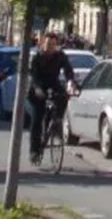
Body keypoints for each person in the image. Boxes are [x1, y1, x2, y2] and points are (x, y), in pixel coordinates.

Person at [28, 32, 79, 164]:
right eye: (48, 44)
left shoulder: (60, 56)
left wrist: (70, 82)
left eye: (53, 45)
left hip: (53, 84)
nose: (50, 47)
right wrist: (37, 88)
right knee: (37, 120)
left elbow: (68, 70)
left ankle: (56, 122)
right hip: (38, 88)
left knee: (63, 96)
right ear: (42, 44)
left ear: (56, 45)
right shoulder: (37, 58)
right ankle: (34, 151)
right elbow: (33, 76)